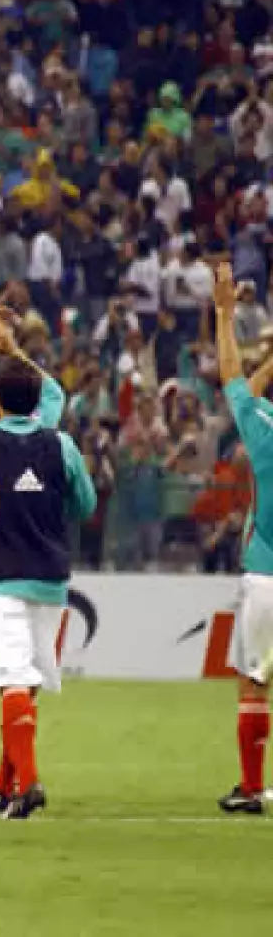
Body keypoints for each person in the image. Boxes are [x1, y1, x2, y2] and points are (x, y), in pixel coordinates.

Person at [0, 313, 96, 820]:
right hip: (52, 581)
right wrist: (16, 351)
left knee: (12, 680)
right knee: (25, 683)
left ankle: (26, 783)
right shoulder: (61, 444)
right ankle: (6, 782)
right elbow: (85, 505)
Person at [211, 265, 273, 815]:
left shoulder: (264, 429)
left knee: (254, 683)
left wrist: (223, 314)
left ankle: (252, 788)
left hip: (265, 574)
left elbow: (234, 383)